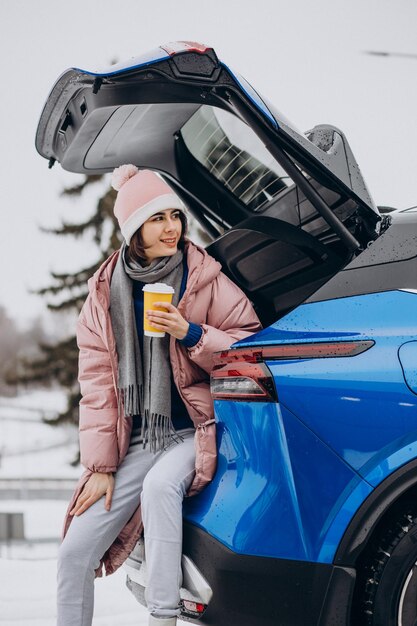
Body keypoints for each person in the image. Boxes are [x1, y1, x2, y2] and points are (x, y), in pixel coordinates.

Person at [56, 165, 262, 626]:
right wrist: (101, 467)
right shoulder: (103, 295)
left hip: (195, 429)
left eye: (175, 215)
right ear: (134, 230)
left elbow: (250, 347)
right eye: (157, 219)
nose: (172, 228)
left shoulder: (205, 278)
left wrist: (191, 333)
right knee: (74, 550)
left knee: (160, 487)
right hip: (138, 439)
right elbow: (97, 387)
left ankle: (163, 618)